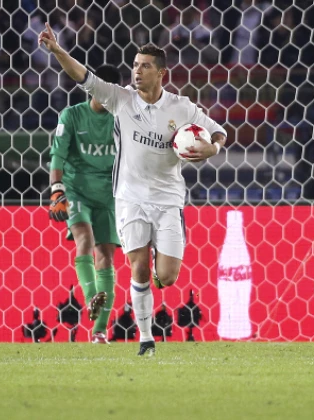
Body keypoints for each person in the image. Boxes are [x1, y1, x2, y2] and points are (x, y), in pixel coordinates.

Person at [39, 24, 227, 356]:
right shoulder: (121, 99)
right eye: (135, 65)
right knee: (137, 267)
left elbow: (218, 131)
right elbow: (84, 76)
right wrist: (57, 51)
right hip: (130, 199)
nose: (137, 71)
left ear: (161, 73)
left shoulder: (181, 108)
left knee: (166, 277)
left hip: (168, 200)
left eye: (145, 66)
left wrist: (212, 148)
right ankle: (146, 339)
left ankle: (158, 271)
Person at [49, 65, 122, 345]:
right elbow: (57, 155)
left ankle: (99, 331)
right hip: (77, 189)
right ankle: (92, 297)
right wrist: (57, 189)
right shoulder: (72, 115)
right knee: (85, 239)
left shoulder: (123, 119)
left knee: (106, 256)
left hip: (111, 193)